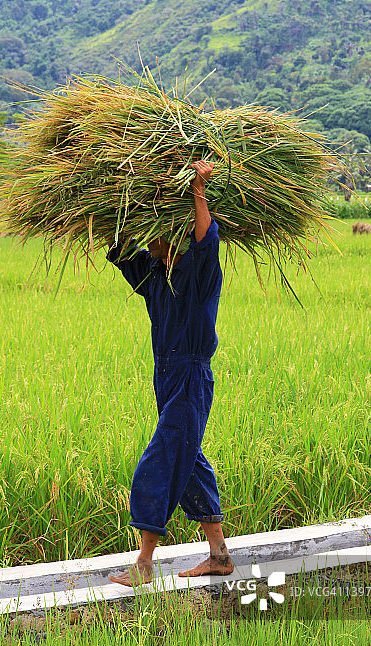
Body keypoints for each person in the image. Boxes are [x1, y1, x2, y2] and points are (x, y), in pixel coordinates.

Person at [107, 159, 234, 587]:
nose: (151, 240)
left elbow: (207, 236)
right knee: (190, 460)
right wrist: (117, 194)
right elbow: (121, 249)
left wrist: (198, 188)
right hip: (166, 377)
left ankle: (144, 563)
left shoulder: (198, 274)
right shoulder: (154, 275)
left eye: (158, 233)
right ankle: (219, 555)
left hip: (191, 378)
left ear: (175, 237)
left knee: (160, 459)